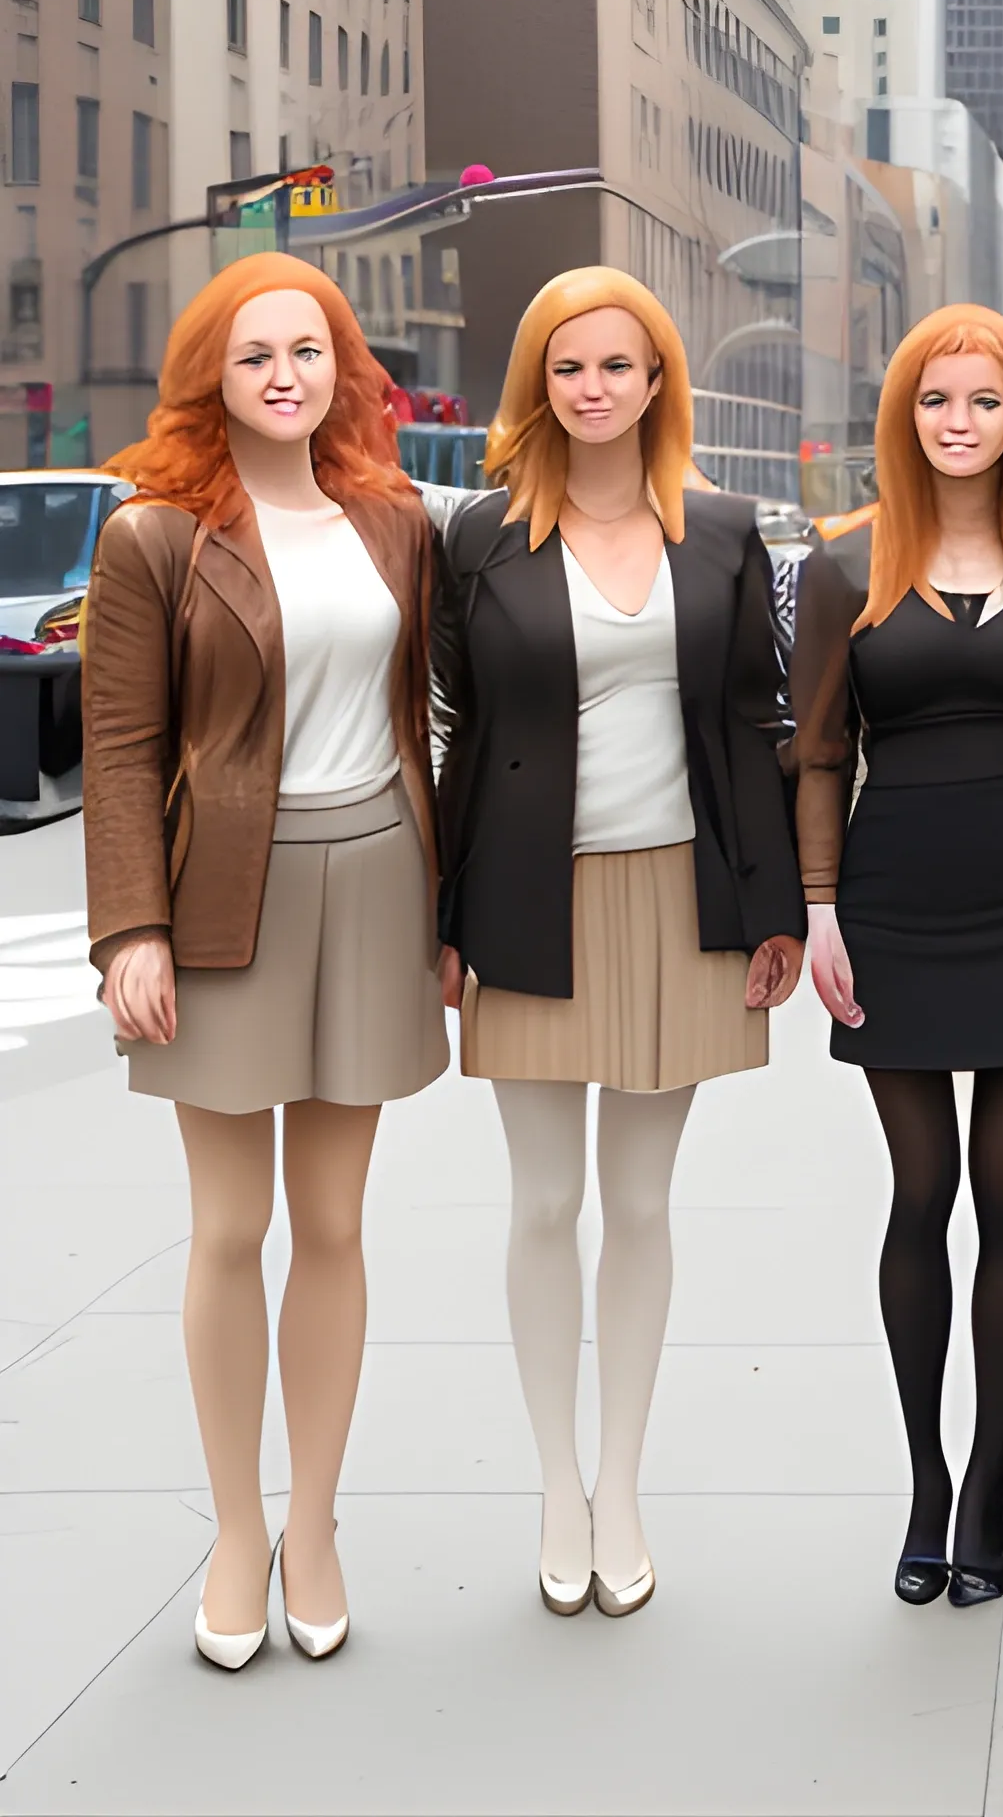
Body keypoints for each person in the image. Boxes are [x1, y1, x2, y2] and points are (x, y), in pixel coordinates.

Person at [83, 252, 447, 1667]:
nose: (284, 375)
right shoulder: (153, 536)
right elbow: (119, 748)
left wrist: (455, 913)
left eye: (308, 350)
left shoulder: (395, 521)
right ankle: (238, 1530)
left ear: (344, 368)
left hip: (376, 882)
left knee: (339, 1226)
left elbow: (433, 722)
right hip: (222, 893)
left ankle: (316, 1522)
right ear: (211, 380)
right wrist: (130, 927)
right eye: (253, 356)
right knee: (230, 1228)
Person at [433, 267, 806, 1620]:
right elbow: (457, 732)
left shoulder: (721, 530)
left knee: (643, 1204)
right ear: (537, 383)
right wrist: (445, 917)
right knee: (542, 1202)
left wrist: (776, 907)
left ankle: (625, 1485)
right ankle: (555, 1484)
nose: (593, 389)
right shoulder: (478, 537)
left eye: (619, 366)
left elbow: (758, 724)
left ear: (659, 383)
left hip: (680, 898)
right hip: (529, 895)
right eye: (568, 367)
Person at [790, 303, 1003, 1608]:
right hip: (891, 898)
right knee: (920, 1196)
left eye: (983, 400)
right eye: (936, 401)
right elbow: (816, 749)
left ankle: (990, 1488)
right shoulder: (841, 561)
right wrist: (819, 908)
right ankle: (927, 1482)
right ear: (905, 417)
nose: (960, 422)